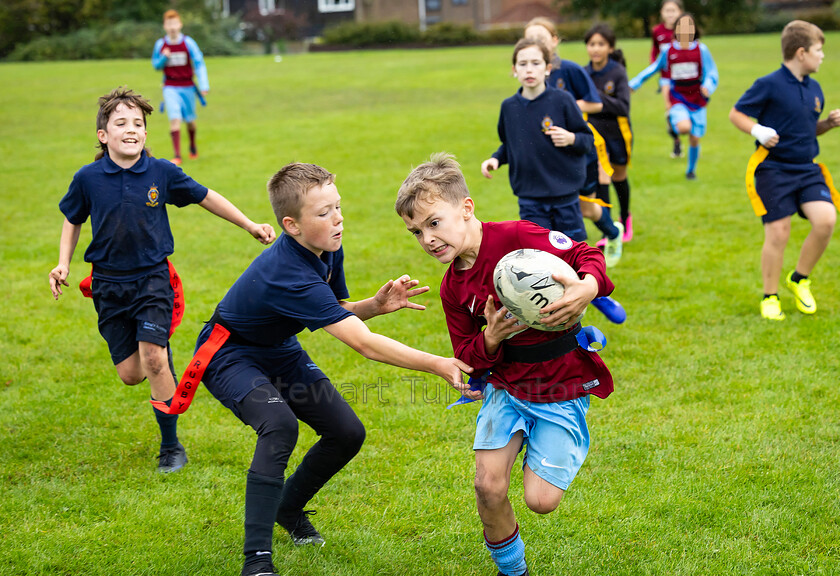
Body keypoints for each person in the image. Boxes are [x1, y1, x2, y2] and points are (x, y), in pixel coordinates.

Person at [183, 162, 477, 576]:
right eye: (324, 213)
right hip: (230, 354)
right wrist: (438, 363)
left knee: (346, 432)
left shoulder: (327, 247)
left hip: (279, 349)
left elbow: (335, 309)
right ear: (292, 225)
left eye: (338, 207)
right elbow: (362, 343)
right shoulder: (288, 271)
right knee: (279, 425)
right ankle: (257, 560)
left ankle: (288, 509)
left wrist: (373, 306)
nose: (338, 219)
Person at [396, 153, 615, 576]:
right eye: (416, 232)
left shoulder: (518, 237)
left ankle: (549, 441)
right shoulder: (451, 287)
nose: (428, 239)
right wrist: (492, 337)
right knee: (487, 485)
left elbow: (587, 255)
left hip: (561, 381)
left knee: (541, 501)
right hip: (507, 385)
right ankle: (513, 572)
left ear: (466, 207)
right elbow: (466, 356)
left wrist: (587, 288)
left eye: (434, 223)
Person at [48, 87, 277, 473]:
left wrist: (249, 224)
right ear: (103, 135)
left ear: (145, 132)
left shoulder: (161, 173)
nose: (131, 129)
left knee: (153, 358)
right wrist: (63, 264)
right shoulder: (87, 178)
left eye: (138, 123)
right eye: (121, 123)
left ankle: (171, 447)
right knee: (131, 374)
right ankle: (157, 353)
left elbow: (206, 196)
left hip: (153, 280)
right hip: (108, 286)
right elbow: (73, 219)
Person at [480, 38, 625, 324]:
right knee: (539, 260)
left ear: (548, 68)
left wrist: (570, 138)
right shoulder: (509, 107)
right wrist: (495, 159)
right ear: (514, 69)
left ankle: (596, 294)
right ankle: (553, 316)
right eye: (523, 64)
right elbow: (509, 144)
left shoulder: (562, 100)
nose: (529, 69)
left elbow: (586, 140)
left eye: (535, 63)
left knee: (574, 252)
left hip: (565, 194)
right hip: (530, 197)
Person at [729, 20, 840, 320]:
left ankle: (799, 278)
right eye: (819, 50)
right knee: (778, 232)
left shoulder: (815, 89)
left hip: (807, 169)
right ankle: (770, 296)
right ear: (801, 52)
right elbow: (736, 113)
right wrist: (758, 131)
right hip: (773, 170)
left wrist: (827, 125)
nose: (822, 56)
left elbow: (804, 130)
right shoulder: (769, 83)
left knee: (826, 220)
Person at [524, 18, 626, 255]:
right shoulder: (528, 74)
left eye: (541, 39)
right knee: (555, 210)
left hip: (578, 151)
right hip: (546, 155)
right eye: (530, 39)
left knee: (585, 209)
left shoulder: (570, 70)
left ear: (555, 40)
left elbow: (595, 103)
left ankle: (612, 233)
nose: (535, 44)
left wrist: (563, 106)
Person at [629, 12, 718, 180]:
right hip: (678, 97)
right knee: (684, 128)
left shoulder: (701, 50)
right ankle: (673, 121)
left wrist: (708, 86)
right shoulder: (668, 50)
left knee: (695, 139)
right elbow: (653, 68)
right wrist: (634, 83)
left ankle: (691, 171)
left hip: (698, 99)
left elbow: (711, 72)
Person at [584, 23, 635, 244]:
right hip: (594, 136)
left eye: (601, 44)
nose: (596, 49)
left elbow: (623, 107)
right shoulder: (583, 73)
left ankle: (625, 218)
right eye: (592, 44)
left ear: (610, 48)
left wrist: (595, 99)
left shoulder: (618, 72)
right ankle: (608, 229)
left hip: (618, 134)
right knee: (600, 180)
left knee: (618, 178)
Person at [152, 9, 209, 165]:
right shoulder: (161, 44)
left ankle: (192, 146)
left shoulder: (188, 43)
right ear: (164, 26)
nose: (172, 27)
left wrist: (204, 85)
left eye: (174, 23)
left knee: (190, 121)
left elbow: (199, 63)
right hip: (170, 86)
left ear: (180, 24)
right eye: (169, 24)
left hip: (188, 87)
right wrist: (164, 57)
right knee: (174, 118)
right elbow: (155, 65)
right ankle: (177, 155)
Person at [651, 0, 684, 158]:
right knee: (670, 109)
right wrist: (654, 67)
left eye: (673, 11)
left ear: (680, 12)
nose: (670, 14)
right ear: (662, 13)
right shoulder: (657, 31)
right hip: (666, 78)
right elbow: (654, 51)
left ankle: (691, 140)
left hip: (684, 78)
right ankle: (676, 141)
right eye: (667, 11)